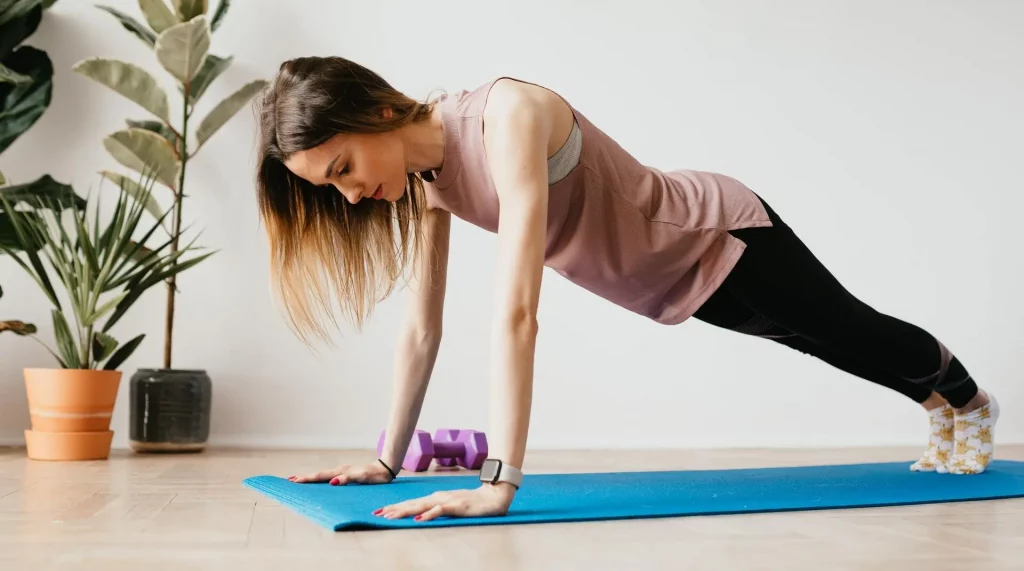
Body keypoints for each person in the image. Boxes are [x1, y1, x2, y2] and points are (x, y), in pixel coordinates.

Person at [253, 56, 1000, 523]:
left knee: (846, 329)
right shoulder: (428, 187)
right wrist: (387, 459)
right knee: (819, 342)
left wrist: (499, 481)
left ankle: (965, 401)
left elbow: (517, 312)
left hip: (718, 235)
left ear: (380, 111)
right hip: (671, 284)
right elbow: (423, 328)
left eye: (343, 169)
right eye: (330, 185)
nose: (349, 194)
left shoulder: (506, 115)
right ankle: (936, 404)